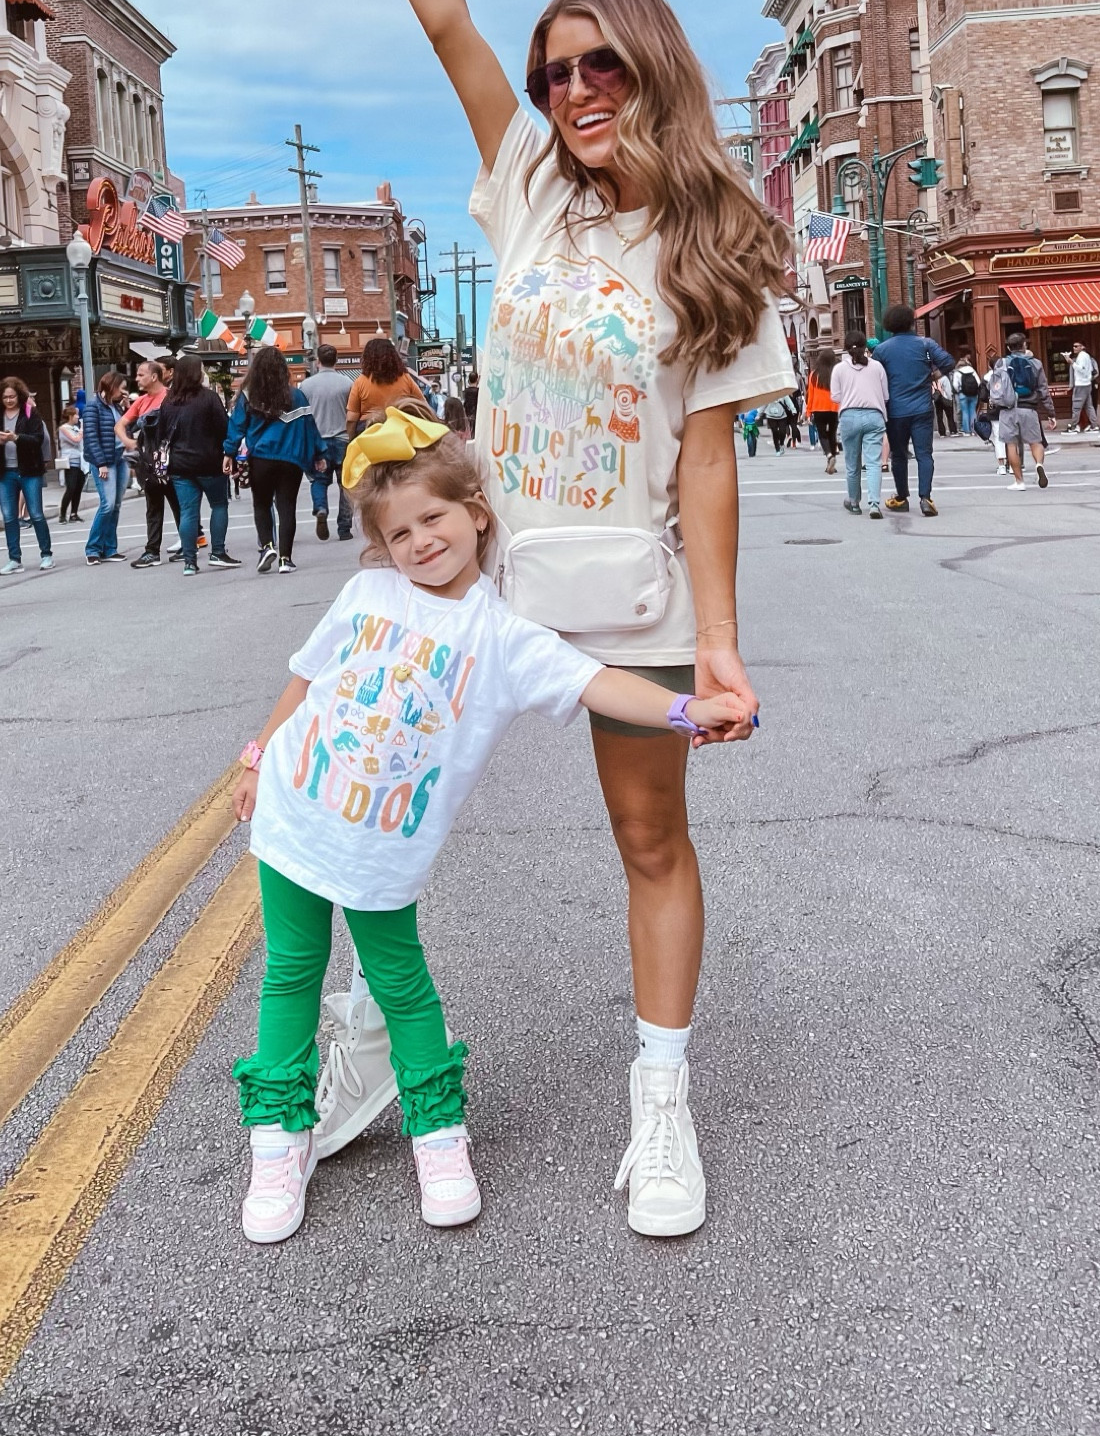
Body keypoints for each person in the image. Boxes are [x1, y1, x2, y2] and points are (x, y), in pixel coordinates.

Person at [329, 0, 791, 1238]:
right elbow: (447, 20)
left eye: (599, 62)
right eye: (557, 69)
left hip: (628, 599)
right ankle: (358, 1047)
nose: (573, 86)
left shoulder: (719, 248)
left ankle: (661, 1107)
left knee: (651, 843)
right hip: (476, 587)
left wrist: (718, 646)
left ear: (650, 64)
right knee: (366, 808)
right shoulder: (529, 187)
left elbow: (705, 465)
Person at [228, 408, 757, 1243]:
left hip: (383, 846)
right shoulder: (365, 591)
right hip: (296, 815)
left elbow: (598, 683)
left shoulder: (504, 636)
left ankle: (438, 1138)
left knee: (400, 983)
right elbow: (307, 676)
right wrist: (258, 759)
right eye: (397, 532)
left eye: (432, 518)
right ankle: (277, 1139)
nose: (418, 542)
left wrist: (688, 709)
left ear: (477, 511)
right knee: (289, 974)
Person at [225, 346, 326, 575]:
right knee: (286, 507)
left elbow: (236, 426)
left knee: (261, 504)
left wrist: (229, 453)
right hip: (290, 460)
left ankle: (267, 546)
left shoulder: (249, 395)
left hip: (261, 458)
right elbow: (310, 428)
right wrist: (319, 454)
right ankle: (285, 559)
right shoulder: (297, 396)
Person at [157, 353, 239, 573]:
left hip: (180, 465)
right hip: (210, 462)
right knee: (219, 505)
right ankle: (218, 552)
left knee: (188, 512)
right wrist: (229, 454)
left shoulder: (169, 401)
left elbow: (162, 433)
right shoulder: (209, 398)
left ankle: (189, 562)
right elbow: (224, 428)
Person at [871, 303, 954, 518]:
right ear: (911, 322)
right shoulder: (925, 344)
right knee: (924, 454)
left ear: (889, 325)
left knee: (899, 456)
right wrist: (933, 375)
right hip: (922, 407)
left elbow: (875, 377)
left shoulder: (881, 350)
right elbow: (948, 362)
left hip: (895, 410)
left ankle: (901, 497)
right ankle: (925, 498)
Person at [120, 357, 182, 568]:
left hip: (170, 460)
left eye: (140, 374)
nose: (136, 378)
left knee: (178, 505)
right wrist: (129, 441)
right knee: (153, 507)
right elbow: (120, 425)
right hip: (148, 461)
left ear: (154, 376)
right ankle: (152, 551)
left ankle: (186, 545)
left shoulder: (171, 398)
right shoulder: (141, 401)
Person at [0, 377, 56, 574]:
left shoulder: (30, 413)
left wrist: (16, 438)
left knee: (36, 514)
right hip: (6, 472)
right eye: (5, 397)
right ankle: (14, 559)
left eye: (12, 397)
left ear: (19, 396)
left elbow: (38, 439)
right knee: (9, 517)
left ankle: (46, 555)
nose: (9, 401)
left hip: (29, 470)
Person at [829, 333, 889, 518]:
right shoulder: (877, 367)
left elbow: (835, 397)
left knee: (852, 464)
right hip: (874, 415)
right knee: (873, 463)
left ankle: (854, 502)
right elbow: (886, 395)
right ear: (866, 347)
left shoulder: (839, 369)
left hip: (849, 416)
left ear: (846, 348)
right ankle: (874, 504)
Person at [987, 331, 1056, 491]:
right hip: (1029, 408)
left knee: (1011, 445)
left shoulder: (1001, 364)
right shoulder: (1036, 363)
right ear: (1025, 345)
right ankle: (1039, 465)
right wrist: (1051, 413)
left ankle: (1019, 481)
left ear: (1009, 347)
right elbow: (1043, 390)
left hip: (1008, 409)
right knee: (1035, 442)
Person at [301, 345, 355, 542]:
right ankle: (344, 528)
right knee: (346, 485)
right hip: (343, 439)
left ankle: (321, 508)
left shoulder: (306, 386)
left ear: (318, 361)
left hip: (318, 440)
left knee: (319, 480)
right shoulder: (347, 383)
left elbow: (303, 416)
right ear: (336, 360)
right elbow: (352, 413)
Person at [82, 369, 129, 562]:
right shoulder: (93, 406)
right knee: (107, 504)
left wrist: (127, 408)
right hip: (105, 461)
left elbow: (127, 430)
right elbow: (91, 436)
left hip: (120, 459)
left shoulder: (116, 407)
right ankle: (93, 549)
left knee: (115, 505)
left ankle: (110, 548)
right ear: (112, 386)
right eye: (122, 388)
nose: (124, 392)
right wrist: (100, 463)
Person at [346, 338, 430, 435]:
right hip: (400, 429)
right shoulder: (405, 378)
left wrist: (351, 439)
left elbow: (351, 419)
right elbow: (423, 405)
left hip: (369, 430)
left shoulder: (360, 381)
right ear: (394, 356)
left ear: (367, 358)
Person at [805, 352, 839, 473]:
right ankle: (832, 462)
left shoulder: (814, 375)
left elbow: (810, 394)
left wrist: (808, 412)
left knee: (822, 434)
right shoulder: (835, 373)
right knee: (832, 434)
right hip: (833, 407)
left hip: (818, 408)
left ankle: (829, 455)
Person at [57, 404, 87, 521]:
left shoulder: (76, 428)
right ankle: (62, 514)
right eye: (76, 415)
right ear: (70, 416)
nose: (78, 417)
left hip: (80, 462)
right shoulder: (63, 428)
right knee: (71, 488)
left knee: (78, 488)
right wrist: (82, 429)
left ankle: (74, 513)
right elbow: (75, 440)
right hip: (70, 462)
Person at [1066, 340, 1099, 433]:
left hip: (1081, 384)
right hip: (1087, 383)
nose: (1074, 348)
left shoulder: (1081, 356)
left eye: (1077, 346)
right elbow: (1091, 370)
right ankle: (1094, 425)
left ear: (1082, 347)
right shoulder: (1087, 356)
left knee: (1076, 406)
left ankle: (1073, 426)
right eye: (1074, 346)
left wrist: (1072, 363)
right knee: (1089, 406)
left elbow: (1082, 370)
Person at [954, 355, 982, 440]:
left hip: (963, 394)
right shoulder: (972, 370)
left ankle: (967, 431)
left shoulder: (957, 372)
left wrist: (959, 390)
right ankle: (974, 430)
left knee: (965, 412)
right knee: (972, 411)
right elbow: (978, 382)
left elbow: (955, 385)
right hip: (973, 394)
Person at [932, 367, 958, 437]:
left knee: (939, 417)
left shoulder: (933, 380)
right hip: (945, 398)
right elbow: (948, 389)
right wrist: (950, 398)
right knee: (949, 416)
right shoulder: (944, 379)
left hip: (937, 400)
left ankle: (942, 433)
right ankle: (952, 430)